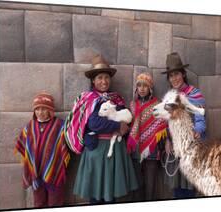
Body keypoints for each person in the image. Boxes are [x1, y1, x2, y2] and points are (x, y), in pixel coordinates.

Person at [64, 55, 139, 204]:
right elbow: (93, 123)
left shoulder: (116, 98)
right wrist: (117, 126)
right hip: (96, 150)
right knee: (96, 194)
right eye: (100, 78)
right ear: (93, 80)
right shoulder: (88, 98)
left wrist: (123, 125)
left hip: (115, 151)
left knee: (111, 193)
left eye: (106, 77)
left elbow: (125, 117)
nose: (103, 81)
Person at [162, 52, 206, 198]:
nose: (174, 78)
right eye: (171, 75)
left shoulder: (194, 93)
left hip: (190, 147)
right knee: (177, 189)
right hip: (175, 149)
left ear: (183, 74)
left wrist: (197, 131)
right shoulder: (170, 97)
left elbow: (200, 119)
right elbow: (167, 122)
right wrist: (168, 140)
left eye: (177, 74)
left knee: (189, 189)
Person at [14, 92, 70, 207]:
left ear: (50, 110)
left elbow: (67, 145)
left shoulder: (60, 125)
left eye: (44, 109)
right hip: (36, 174)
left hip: (54, 172)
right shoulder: (29, 127)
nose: (40, 112)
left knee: (55, 202)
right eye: (37, 109)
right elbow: (23, 147)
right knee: (38, 203)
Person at [127, 72, 168, 201]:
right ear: (136, 88)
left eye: (145, 86)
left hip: (152, 149)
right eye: (139, 85)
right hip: (135, 150)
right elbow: (130, 124)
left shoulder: (158, 104)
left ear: (150, 88)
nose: (142, 89)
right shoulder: (132, 105)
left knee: (151, 184)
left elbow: (163, 124)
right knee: (137, 184)